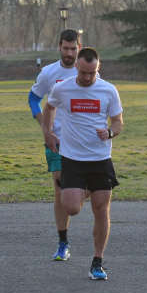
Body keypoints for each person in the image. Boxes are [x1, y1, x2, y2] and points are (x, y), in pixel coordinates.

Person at [42, 47, 123, 280]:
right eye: (84, 72)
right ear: (76, 66)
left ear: (98, 68)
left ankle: (97, 261)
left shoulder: (108, 90)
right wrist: (48, 133)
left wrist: (109, 132)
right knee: (71, 207)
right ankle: (83, 190)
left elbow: (118, 122)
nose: (88, 77)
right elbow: (49, 107)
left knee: (101, 209)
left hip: (100, 159)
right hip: (72, 159)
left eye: (92, 73)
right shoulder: (63, 88)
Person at [28, 28, 82, 261]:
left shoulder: (87, 70)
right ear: (59, 46)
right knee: (60, 187)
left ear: (79, 47)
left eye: (73, 49)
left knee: (83, 192)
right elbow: (33, 98)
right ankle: (63, 242)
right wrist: (45, 127)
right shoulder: (49, 73)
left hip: (83, 141)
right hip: (56, 140)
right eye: (65, 48)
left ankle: (78, 195)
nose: (69, 53)